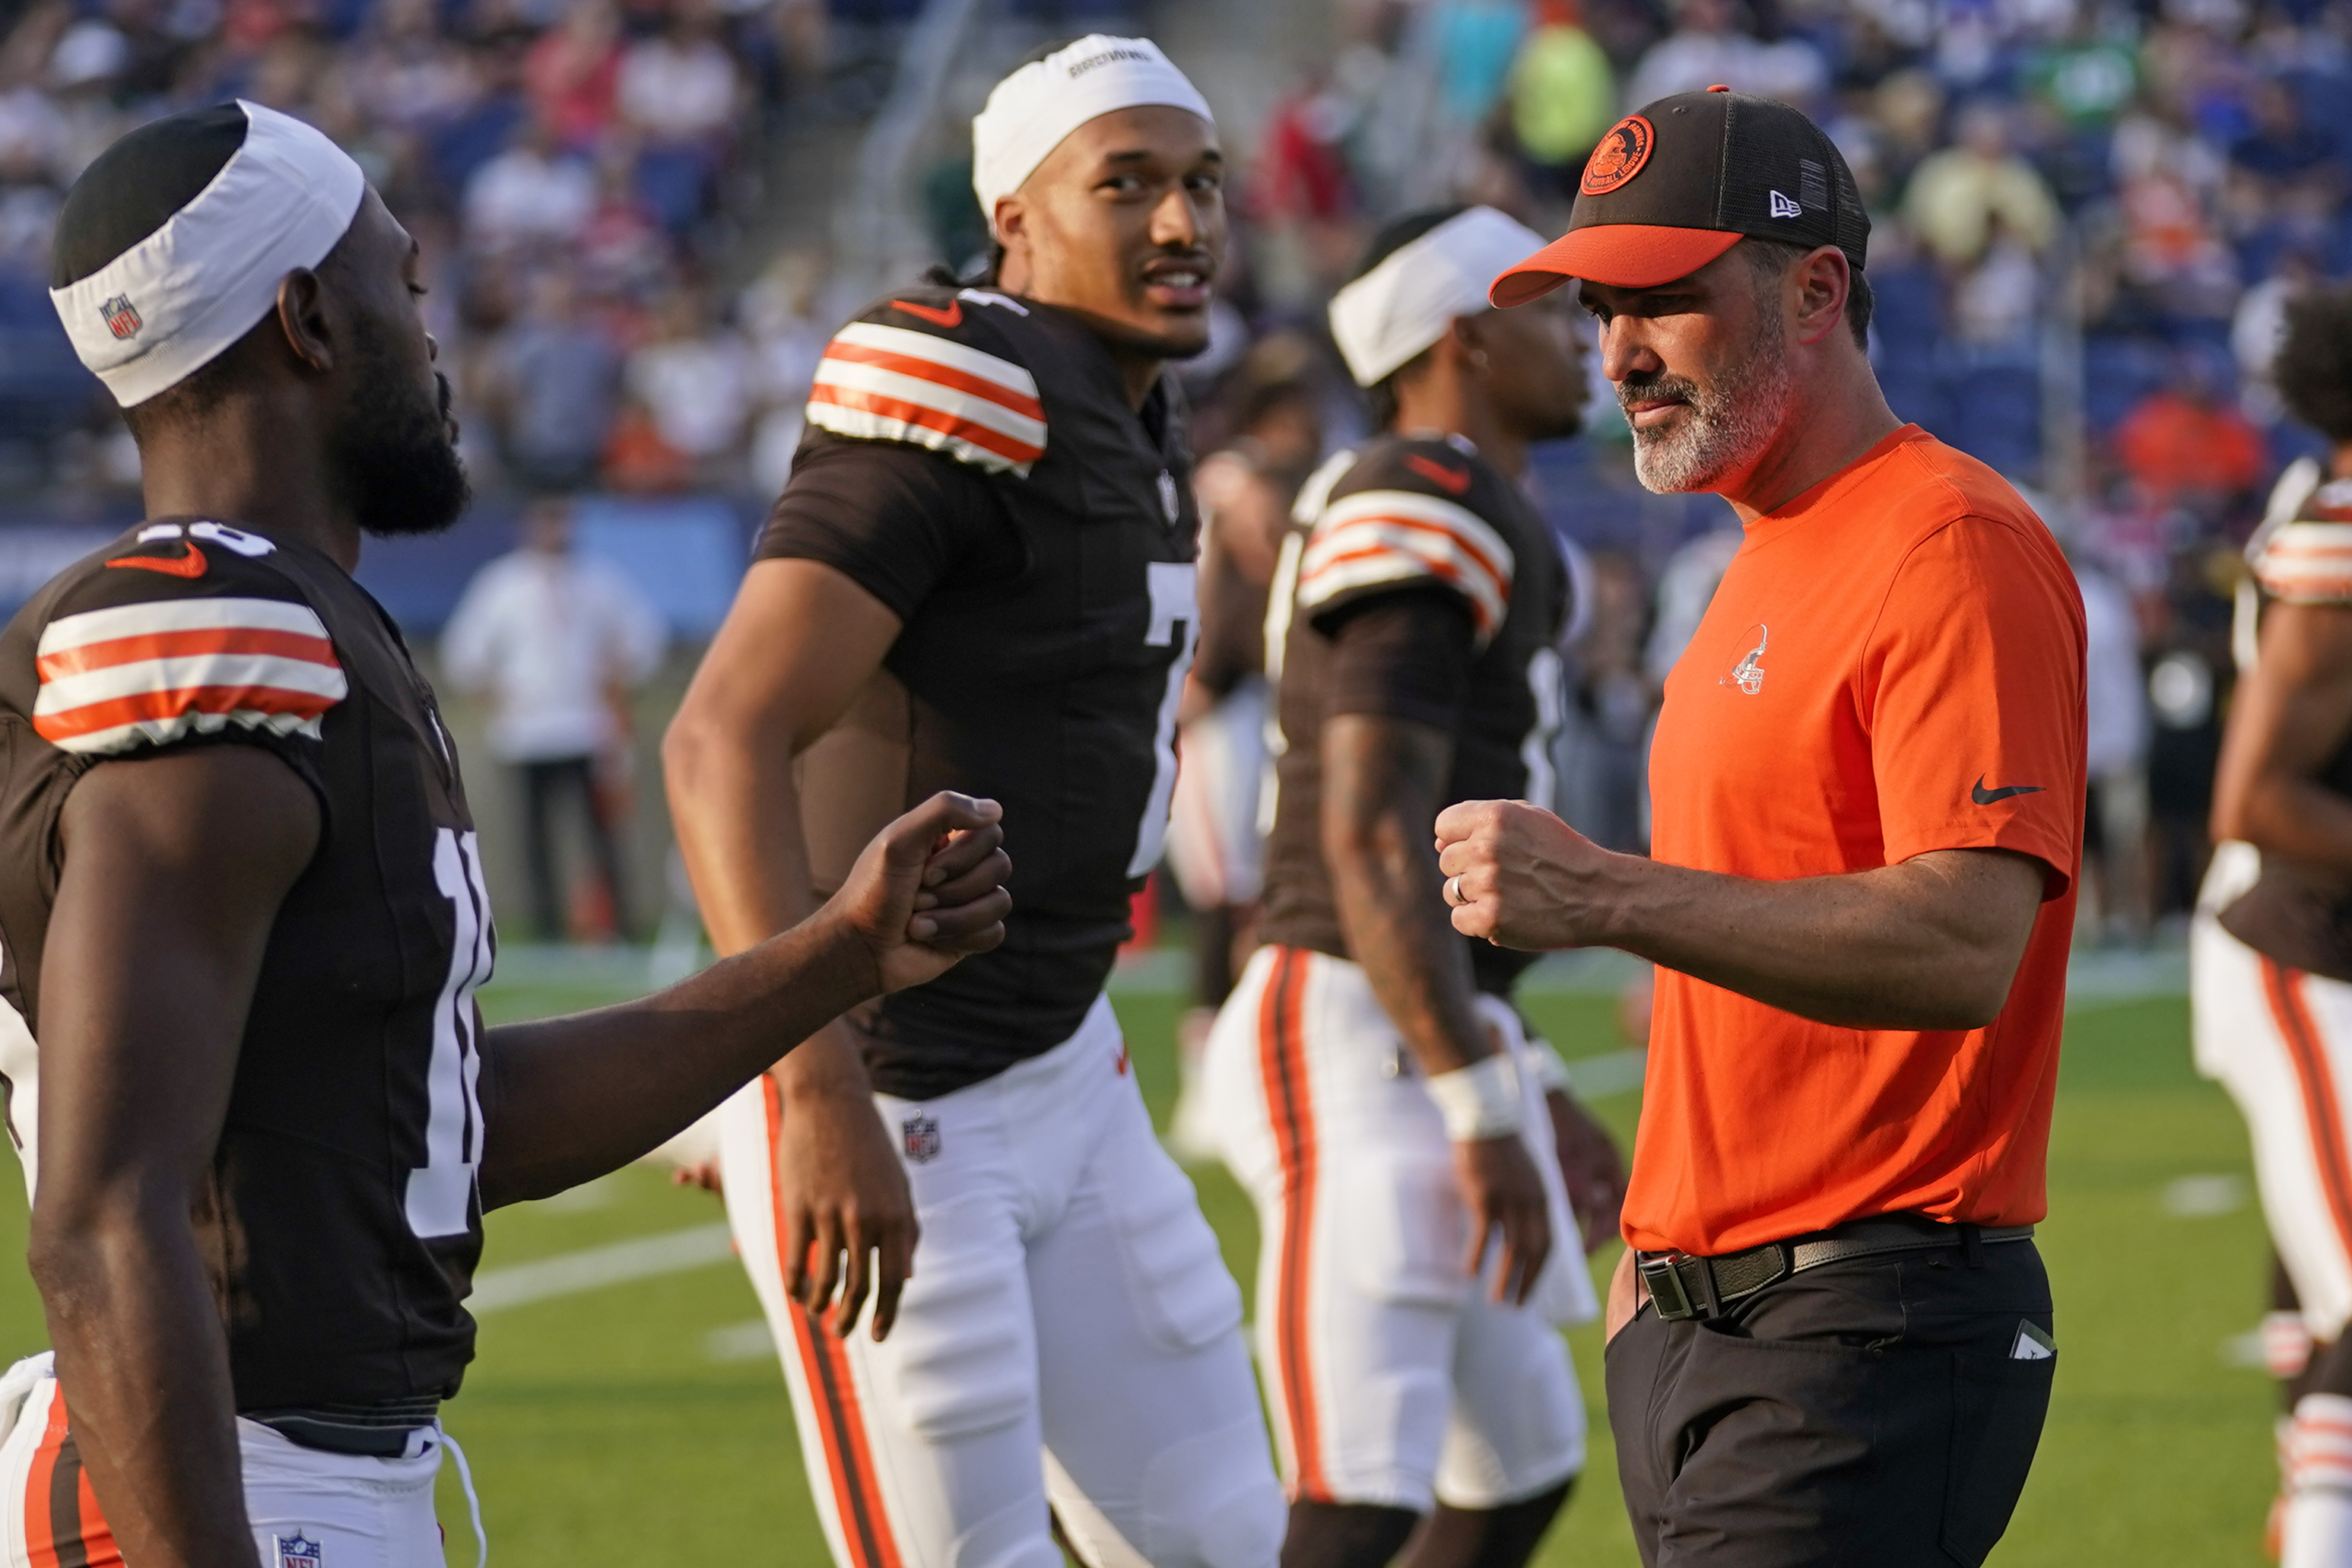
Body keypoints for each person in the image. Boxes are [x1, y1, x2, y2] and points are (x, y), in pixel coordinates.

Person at [0, 100, 1008, 1568]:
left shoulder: (300, 620)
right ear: (306, 321)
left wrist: (835, 956)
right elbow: (103, 1217)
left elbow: (450, 1122)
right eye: (401, 289)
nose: (435, 330)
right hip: (211, 1487)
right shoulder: (214, 631)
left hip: (294, 1472)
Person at [661, 37, 1287, 1568]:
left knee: (1230, 1539)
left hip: (1070, 1061)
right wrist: (795, 1084)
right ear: (1014, 215)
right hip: (894, 1087)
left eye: (1199, 184)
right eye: (1124, 184)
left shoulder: (1131, 400)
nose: (1179, 224)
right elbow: (723, 729)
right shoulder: (967, 370)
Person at [1446, 88, 2087, 1564]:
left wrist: (1607, 894)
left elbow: (1960, 937)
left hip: (1862, 1316)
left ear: (1814, 291)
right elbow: (1748, 919)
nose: (1618, 351)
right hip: (1696, 1319)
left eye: (1664, 298)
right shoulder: (1754, 550)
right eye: (1602, 308)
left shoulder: (1949, 543)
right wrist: (1651, 1252)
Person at [1200, 205, 1625, 1568]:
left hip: (1427, 1013)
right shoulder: (1417, 493)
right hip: (1347, 1019)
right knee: (1354, 1494)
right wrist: (1476, 1097)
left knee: (1519, 1463)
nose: (1587, 335)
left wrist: (1520, 1064)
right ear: (1460, 337)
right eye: (1549, 310)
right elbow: (1376, 833)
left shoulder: (1459, 491)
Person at [2195, 281, 2352, 1568]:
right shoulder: (2339, 523)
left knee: (2324, 1265)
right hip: (2305, 948)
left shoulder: (2319, 491)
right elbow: (2251, 796)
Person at [442, 496, 665, 941]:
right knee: (534, 836)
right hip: (525, 733)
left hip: (587, 727)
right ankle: (548, 926)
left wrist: (617, 677)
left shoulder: (598, 581)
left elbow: (643, 638)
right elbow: (464, 651)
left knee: (601, 832)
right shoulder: (501, 585)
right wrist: (493, 693)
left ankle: (617, 922)